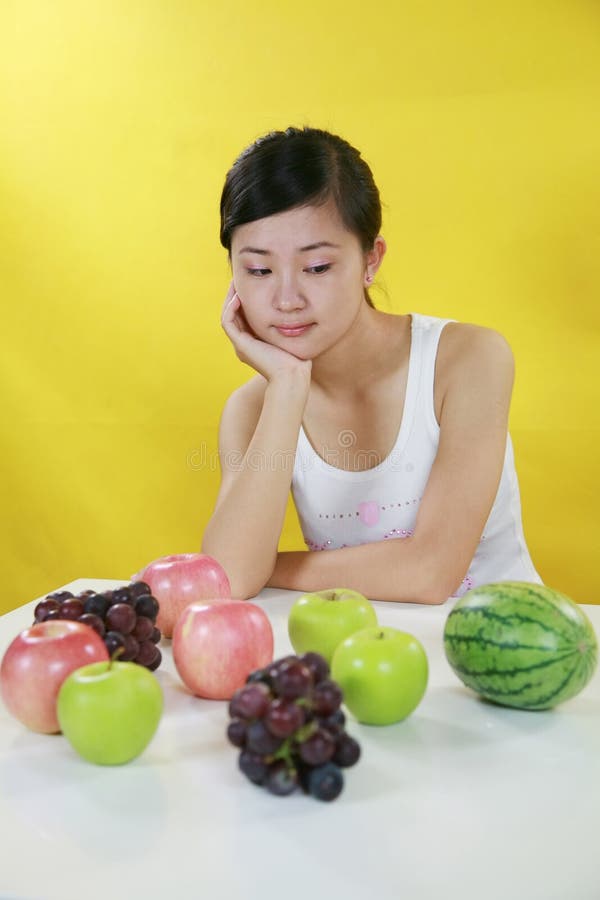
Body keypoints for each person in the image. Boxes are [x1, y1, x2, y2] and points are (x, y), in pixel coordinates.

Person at [201, 125, 542, 603]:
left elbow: (429, 574)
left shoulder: (467, 360)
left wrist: (266, 567)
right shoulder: (252, 409)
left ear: (371, 260)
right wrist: (287, 386)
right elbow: (230, 580)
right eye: (258, 270)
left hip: (506, 658)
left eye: (317, 267)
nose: (286, 299)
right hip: (359, 658)